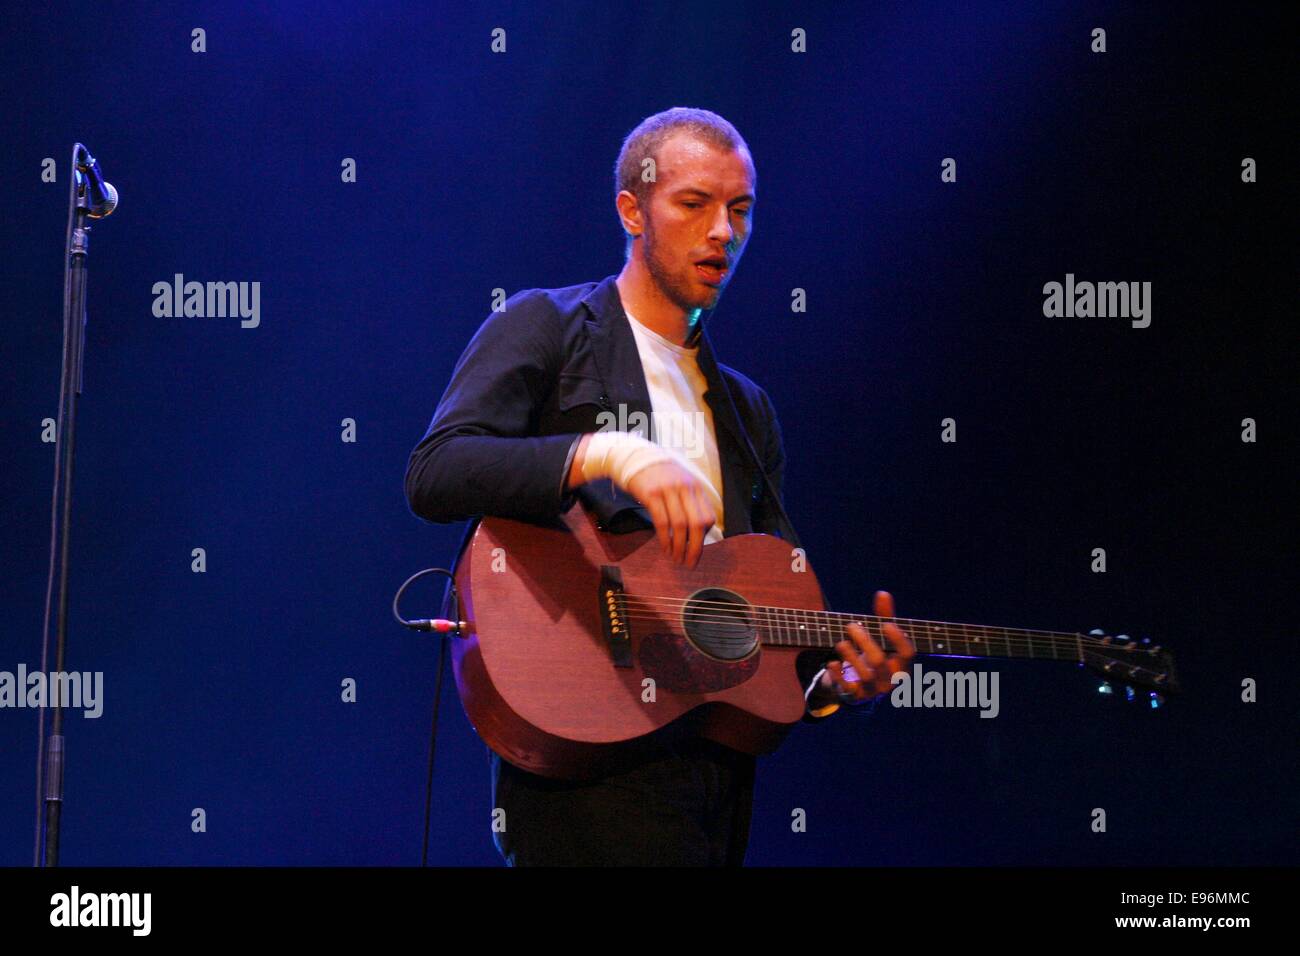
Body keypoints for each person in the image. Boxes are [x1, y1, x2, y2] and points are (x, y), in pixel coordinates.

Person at [405, 107, 914, 865]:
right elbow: (436, 472)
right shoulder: (546, 324)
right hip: (582, 753)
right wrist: (602, 452)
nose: (723, 233)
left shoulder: (746, 409)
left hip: (711, 774)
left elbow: (773, 610)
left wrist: (839, 682)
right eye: (694, 204)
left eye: (740, 210)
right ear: (631, 209)